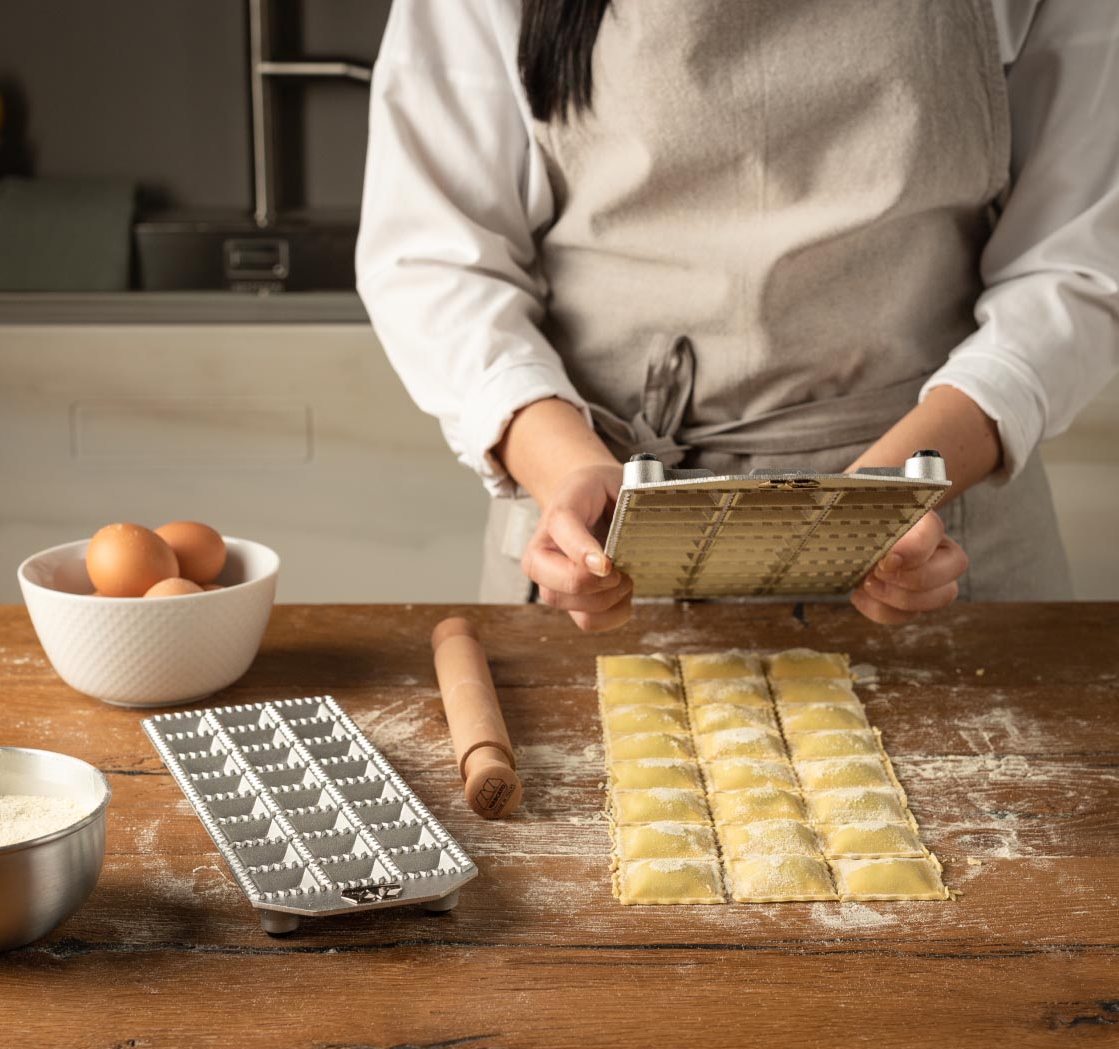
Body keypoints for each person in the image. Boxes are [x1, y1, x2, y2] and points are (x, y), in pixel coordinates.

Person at [357, 0, 1119, 630]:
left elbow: (1081, 258)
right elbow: (435, 256)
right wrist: (567, 469)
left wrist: (893, 491)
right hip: (596, 533)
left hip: (932, 528)